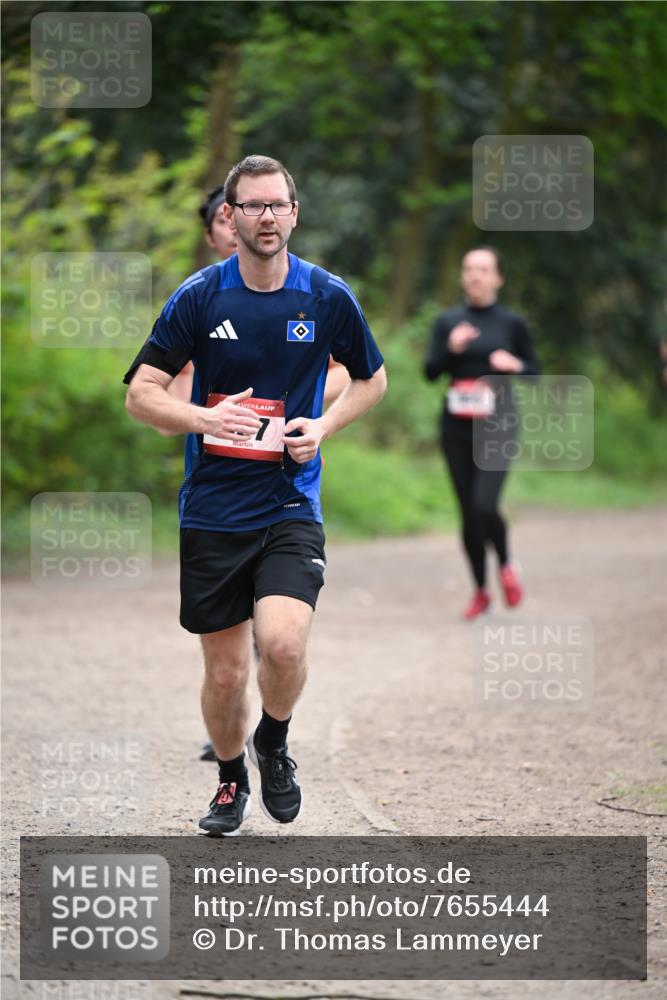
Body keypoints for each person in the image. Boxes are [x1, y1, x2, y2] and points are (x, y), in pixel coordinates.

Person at [124, 154, 386, 835]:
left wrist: (322, 427)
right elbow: (140, 395)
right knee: (222, 677)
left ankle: (273, 740)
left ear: (293, 214)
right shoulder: (199, 297)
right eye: (252, 206)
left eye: (277, 205)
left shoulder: (327, 296)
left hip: (288, 502)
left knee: (285, 648)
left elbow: (372, 380)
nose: (265, 217)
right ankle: (230, 778)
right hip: (212, 510)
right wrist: (204, 418)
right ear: (230, 217)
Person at [424, 246, 540, 620]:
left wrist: (514, 364)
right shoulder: (448, 322)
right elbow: (430, 371)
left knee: (484, 505)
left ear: (498, 278)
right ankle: (480, 591)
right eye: (469, 269)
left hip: (498, 423)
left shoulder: (512, 323)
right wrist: (450, 348)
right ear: (462, 276)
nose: (475, 276)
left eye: (483, 269)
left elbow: (535, 373)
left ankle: (505, 565)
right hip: (456, 426)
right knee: (468, 514)